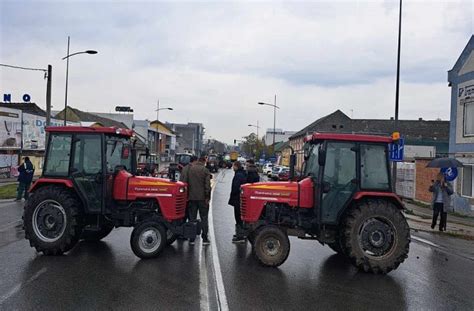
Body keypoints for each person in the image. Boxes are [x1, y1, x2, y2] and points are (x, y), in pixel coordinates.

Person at [185, 156, 211, 245]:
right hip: (203, 199)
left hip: (192, 198)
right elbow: (207, 185)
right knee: (204, 218)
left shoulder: (190, 170)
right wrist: (207, 197)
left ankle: (192, 239)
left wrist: (187, 195)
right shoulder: (205, 170)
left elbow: (186, 183)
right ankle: (204, 238)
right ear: (204, 161)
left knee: (192, 218)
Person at [228, 161, 248, 243]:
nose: (232, 168)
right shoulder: (242, 174)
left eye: (233, 166)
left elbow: (235, 188)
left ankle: (240, 236)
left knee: (238, 217)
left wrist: (232, 195)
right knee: (240, 217)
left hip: (237, 199)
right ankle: (241, 234)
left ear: (236, 166)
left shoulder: (238, 175)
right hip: (240, 199)